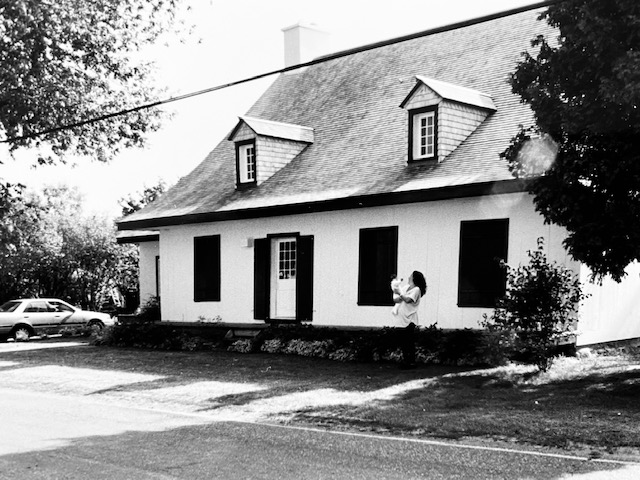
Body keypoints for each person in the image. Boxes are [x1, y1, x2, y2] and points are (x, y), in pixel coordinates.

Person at [392, 270, 427, 369]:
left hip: (410, 319)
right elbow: (397, 299)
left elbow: (408, 300)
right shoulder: (406, 287)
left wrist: (400, 294)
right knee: (403, 341)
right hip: (401, 319)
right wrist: (397, 292)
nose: (408, 277)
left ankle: (410, 362)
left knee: (408, 341)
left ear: (414, 278)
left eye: (410, 276)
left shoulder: (417, 290)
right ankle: (406, 361)